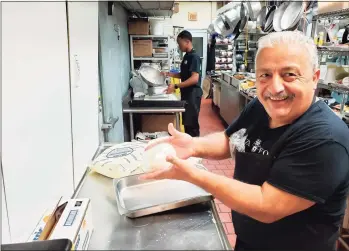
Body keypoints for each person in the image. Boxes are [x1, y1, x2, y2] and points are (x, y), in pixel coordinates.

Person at [141, 31, 349, 251]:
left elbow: (265, 205)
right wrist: (193, 145)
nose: (275, 88)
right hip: (249, 242)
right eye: (265, 75)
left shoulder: (326, 138)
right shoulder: (262, 106)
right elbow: (232, 141)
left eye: (289, 74)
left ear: (315, 77)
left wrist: (193, 174)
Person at [162, 30, 203, 137]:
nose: (179, 46)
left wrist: (175, 86)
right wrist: (168, 74)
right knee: (187, 124)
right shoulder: (186, 56)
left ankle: (195, 149)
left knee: (192, 125)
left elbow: (194, 78)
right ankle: (189, 147)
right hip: (187, 94)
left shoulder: (194, 57)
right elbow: (184, 75)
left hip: (193, 95)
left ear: (187, 41)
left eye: (180, 43)